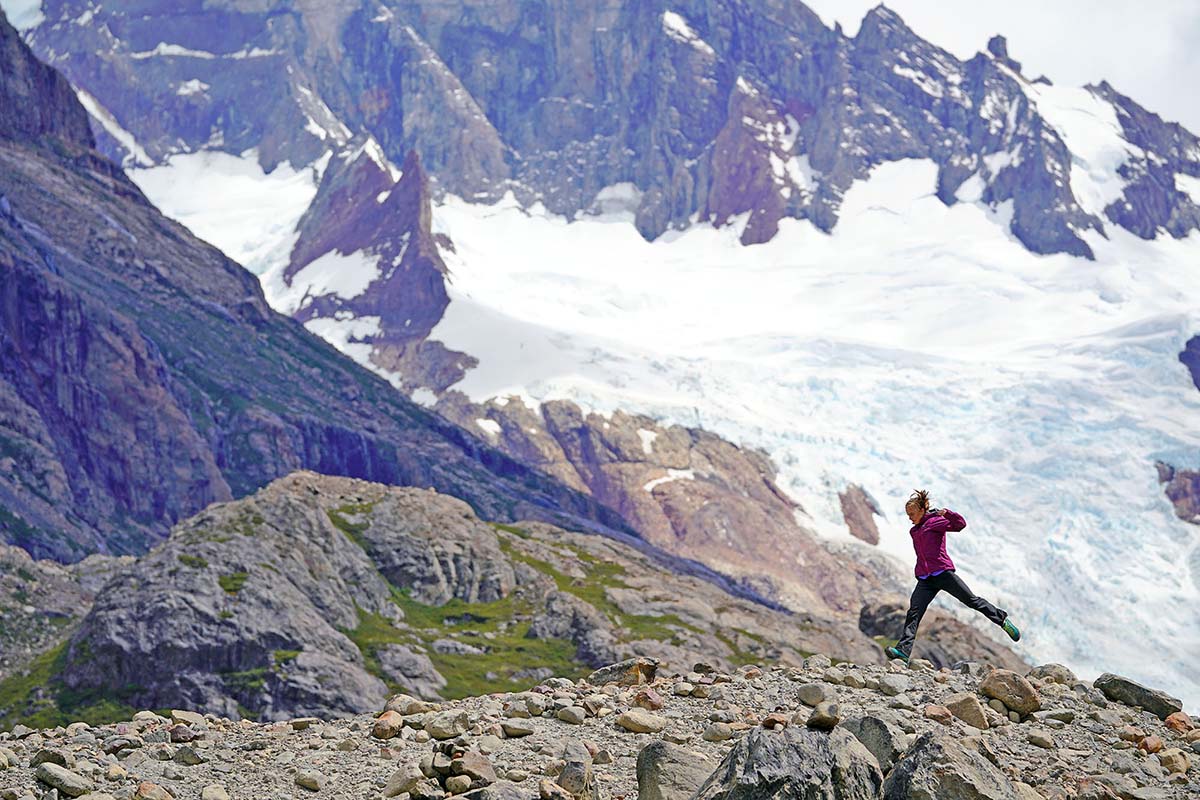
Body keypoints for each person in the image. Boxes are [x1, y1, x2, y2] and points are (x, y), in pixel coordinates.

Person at [884, 489, 1020, 663]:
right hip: (925, 579)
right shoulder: (914, 531)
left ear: (922, 510)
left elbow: (960, 524)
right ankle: (903, 651)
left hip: (943, 573)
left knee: (971, 600)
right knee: (914, 612)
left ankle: (1002, 621)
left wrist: (947, 513)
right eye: (907, 514)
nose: (909, 518)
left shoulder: (936, 522)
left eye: (911, 514)